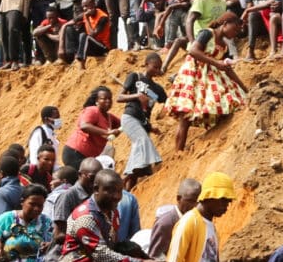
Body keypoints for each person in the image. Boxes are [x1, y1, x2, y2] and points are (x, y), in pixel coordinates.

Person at [164, 11, 249, 152]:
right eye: (235, 29)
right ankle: (178, 153)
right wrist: (216, 62)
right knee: (185, 116)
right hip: (194, 75)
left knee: (227, 101)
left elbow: (227, 69)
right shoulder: (207, 33)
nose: (235, 33)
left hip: (210, 77)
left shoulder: (224, 45)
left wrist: (244, 88)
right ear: (225, 24)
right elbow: (193, 51)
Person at [117, 53, 167, 189]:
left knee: (139, 162)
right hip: (130, 117)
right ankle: (124, 179)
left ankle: (127, 191)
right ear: (146, 64)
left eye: (159, 68)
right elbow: (119, 97)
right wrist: (137, 95)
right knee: (143, 142)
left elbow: (168, 102)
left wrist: (151, 127)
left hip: (144, 124)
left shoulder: (158, 89)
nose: (157, 70)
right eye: (155, 67)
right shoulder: (135, 77)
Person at [61, 86, 121, 170]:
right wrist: (107, 132)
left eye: (110, 98)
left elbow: (123, 123)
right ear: (96, 101)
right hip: (76, 152)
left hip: (88, 155)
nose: (108, 101)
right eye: (104, 99)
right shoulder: (93, 110)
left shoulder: (109, 117)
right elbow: (84, 126)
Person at [73, 0, 114, 68]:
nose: (85, 9)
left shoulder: (102, 17)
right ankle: (74, 56)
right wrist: (65, 26)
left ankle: (81, 63)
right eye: (83, 7)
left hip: (102, 47)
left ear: (94, 4)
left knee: (84, 36)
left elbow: (92, 34)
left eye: (86, 6)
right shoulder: (87, 14)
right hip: (92, 45)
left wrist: (87, 18)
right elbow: (75, 19)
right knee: (70, 29)